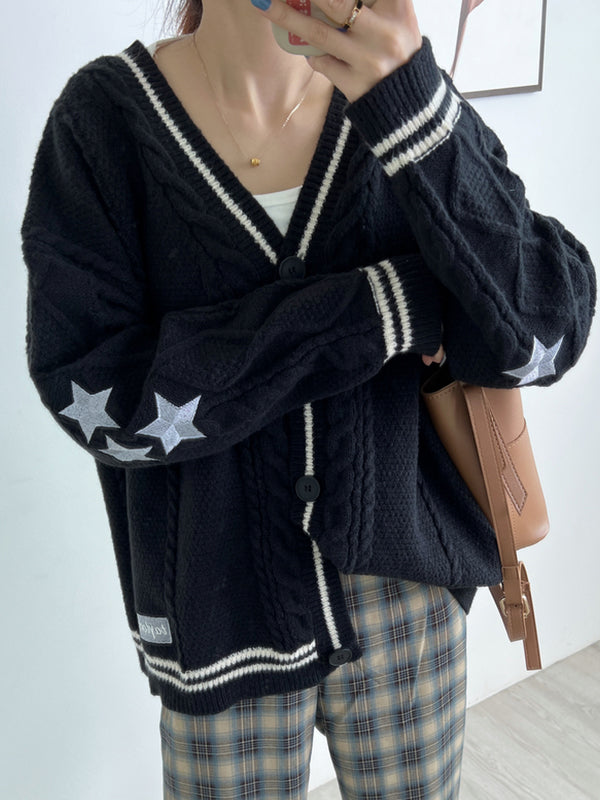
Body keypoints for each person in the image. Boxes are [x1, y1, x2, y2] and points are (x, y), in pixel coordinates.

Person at [20, 0, 595, 797]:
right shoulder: (105, 122)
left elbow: (546, 325)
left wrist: (419, 114)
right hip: (219, 618)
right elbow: (103, 395)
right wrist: (381, 310)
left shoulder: (401, 102)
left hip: (409, 594)